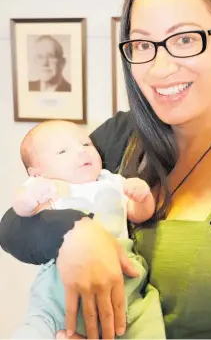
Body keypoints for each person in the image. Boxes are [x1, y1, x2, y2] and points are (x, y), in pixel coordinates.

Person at [2, 0, 211, 338]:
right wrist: (75, 232)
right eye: (142, 45)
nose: (160, 68)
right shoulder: (118, 137)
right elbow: (14, 227)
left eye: (184, 38)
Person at [11, 119, 165, 339]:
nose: (81, 152)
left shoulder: (111, 181)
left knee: (143, 318)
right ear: (37, 173)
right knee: (42, 324)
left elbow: (139, 213)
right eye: (63, 151)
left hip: (122, 271)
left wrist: (142, 197)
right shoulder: (50, 188)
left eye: (85, 144)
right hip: (61, 281)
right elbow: (20, 209)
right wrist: (29, 196)